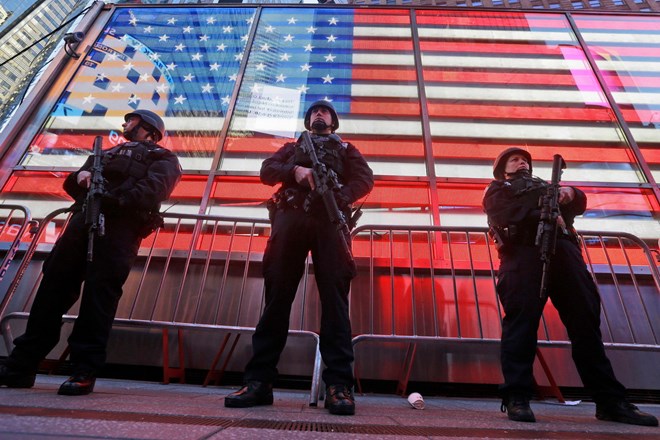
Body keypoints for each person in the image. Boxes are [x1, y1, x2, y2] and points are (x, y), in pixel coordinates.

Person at [0, 110, 181, 396]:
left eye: (131, 121)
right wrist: (80, 176)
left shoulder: (163, 157)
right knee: (51, 293)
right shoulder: (103, 154)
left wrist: (115, 200)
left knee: (99, 298)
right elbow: (73, 185)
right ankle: (21, 366)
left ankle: (83, 370)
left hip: (120, 229)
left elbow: (155, 189)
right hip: (81, 222)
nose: (124, 124)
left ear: (148, 127)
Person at [482, 147, 658, 426]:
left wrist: (571, 193)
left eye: (525, 159)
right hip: (523, 255)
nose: (522, 162)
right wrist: (541, 210)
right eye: (514, 160)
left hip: (564, 254)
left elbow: (579, 203)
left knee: (586, 326)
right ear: (502, 169)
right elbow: (503, 213)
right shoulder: (498, 189)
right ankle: (517, 397)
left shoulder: (548, 187)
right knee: (521, 326)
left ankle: (610, 402)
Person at [224, 100, 374, 415]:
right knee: (276, 301)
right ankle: (259, 382)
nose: (319, 113)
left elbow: (364, 180)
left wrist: (338, 196)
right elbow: (267, 171)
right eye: (314, 111)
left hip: (330, 222)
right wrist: (295, 171)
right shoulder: (292, 148)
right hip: (290, 219)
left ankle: (338, 386)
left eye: (325, 111)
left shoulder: (346, 149)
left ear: (333, 121)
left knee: (335, 305)